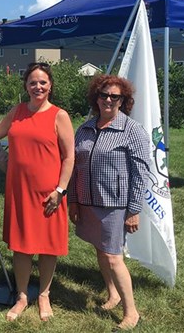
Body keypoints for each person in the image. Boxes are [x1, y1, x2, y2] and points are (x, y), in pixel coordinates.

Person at [0, 62, 75, 322]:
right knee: (21, 246)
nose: (37, 86)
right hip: (19, 193)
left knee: (48, 247)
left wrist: (60, 190)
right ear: (26, 86)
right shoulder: (16, 111)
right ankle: (21, 295)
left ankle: (44, 294)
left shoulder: (59, 115)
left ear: (50, 85)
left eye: (42, 82)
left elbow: (69, 157)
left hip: (49, 195)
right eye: (32, 82)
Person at [68, 74, 150, 331]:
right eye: (104, 95)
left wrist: (134, 209)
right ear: (96, 98)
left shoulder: (132, 130)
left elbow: (141, 173)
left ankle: (131, 312)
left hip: (115, 205)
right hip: (88, 201)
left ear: (124, 101)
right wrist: (73, 200)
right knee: (100, 250)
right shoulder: (84, 128)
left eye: (115, 96)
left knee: (114, 257)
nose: (108, 100)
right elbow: (74, 168)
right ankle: (112, 294)